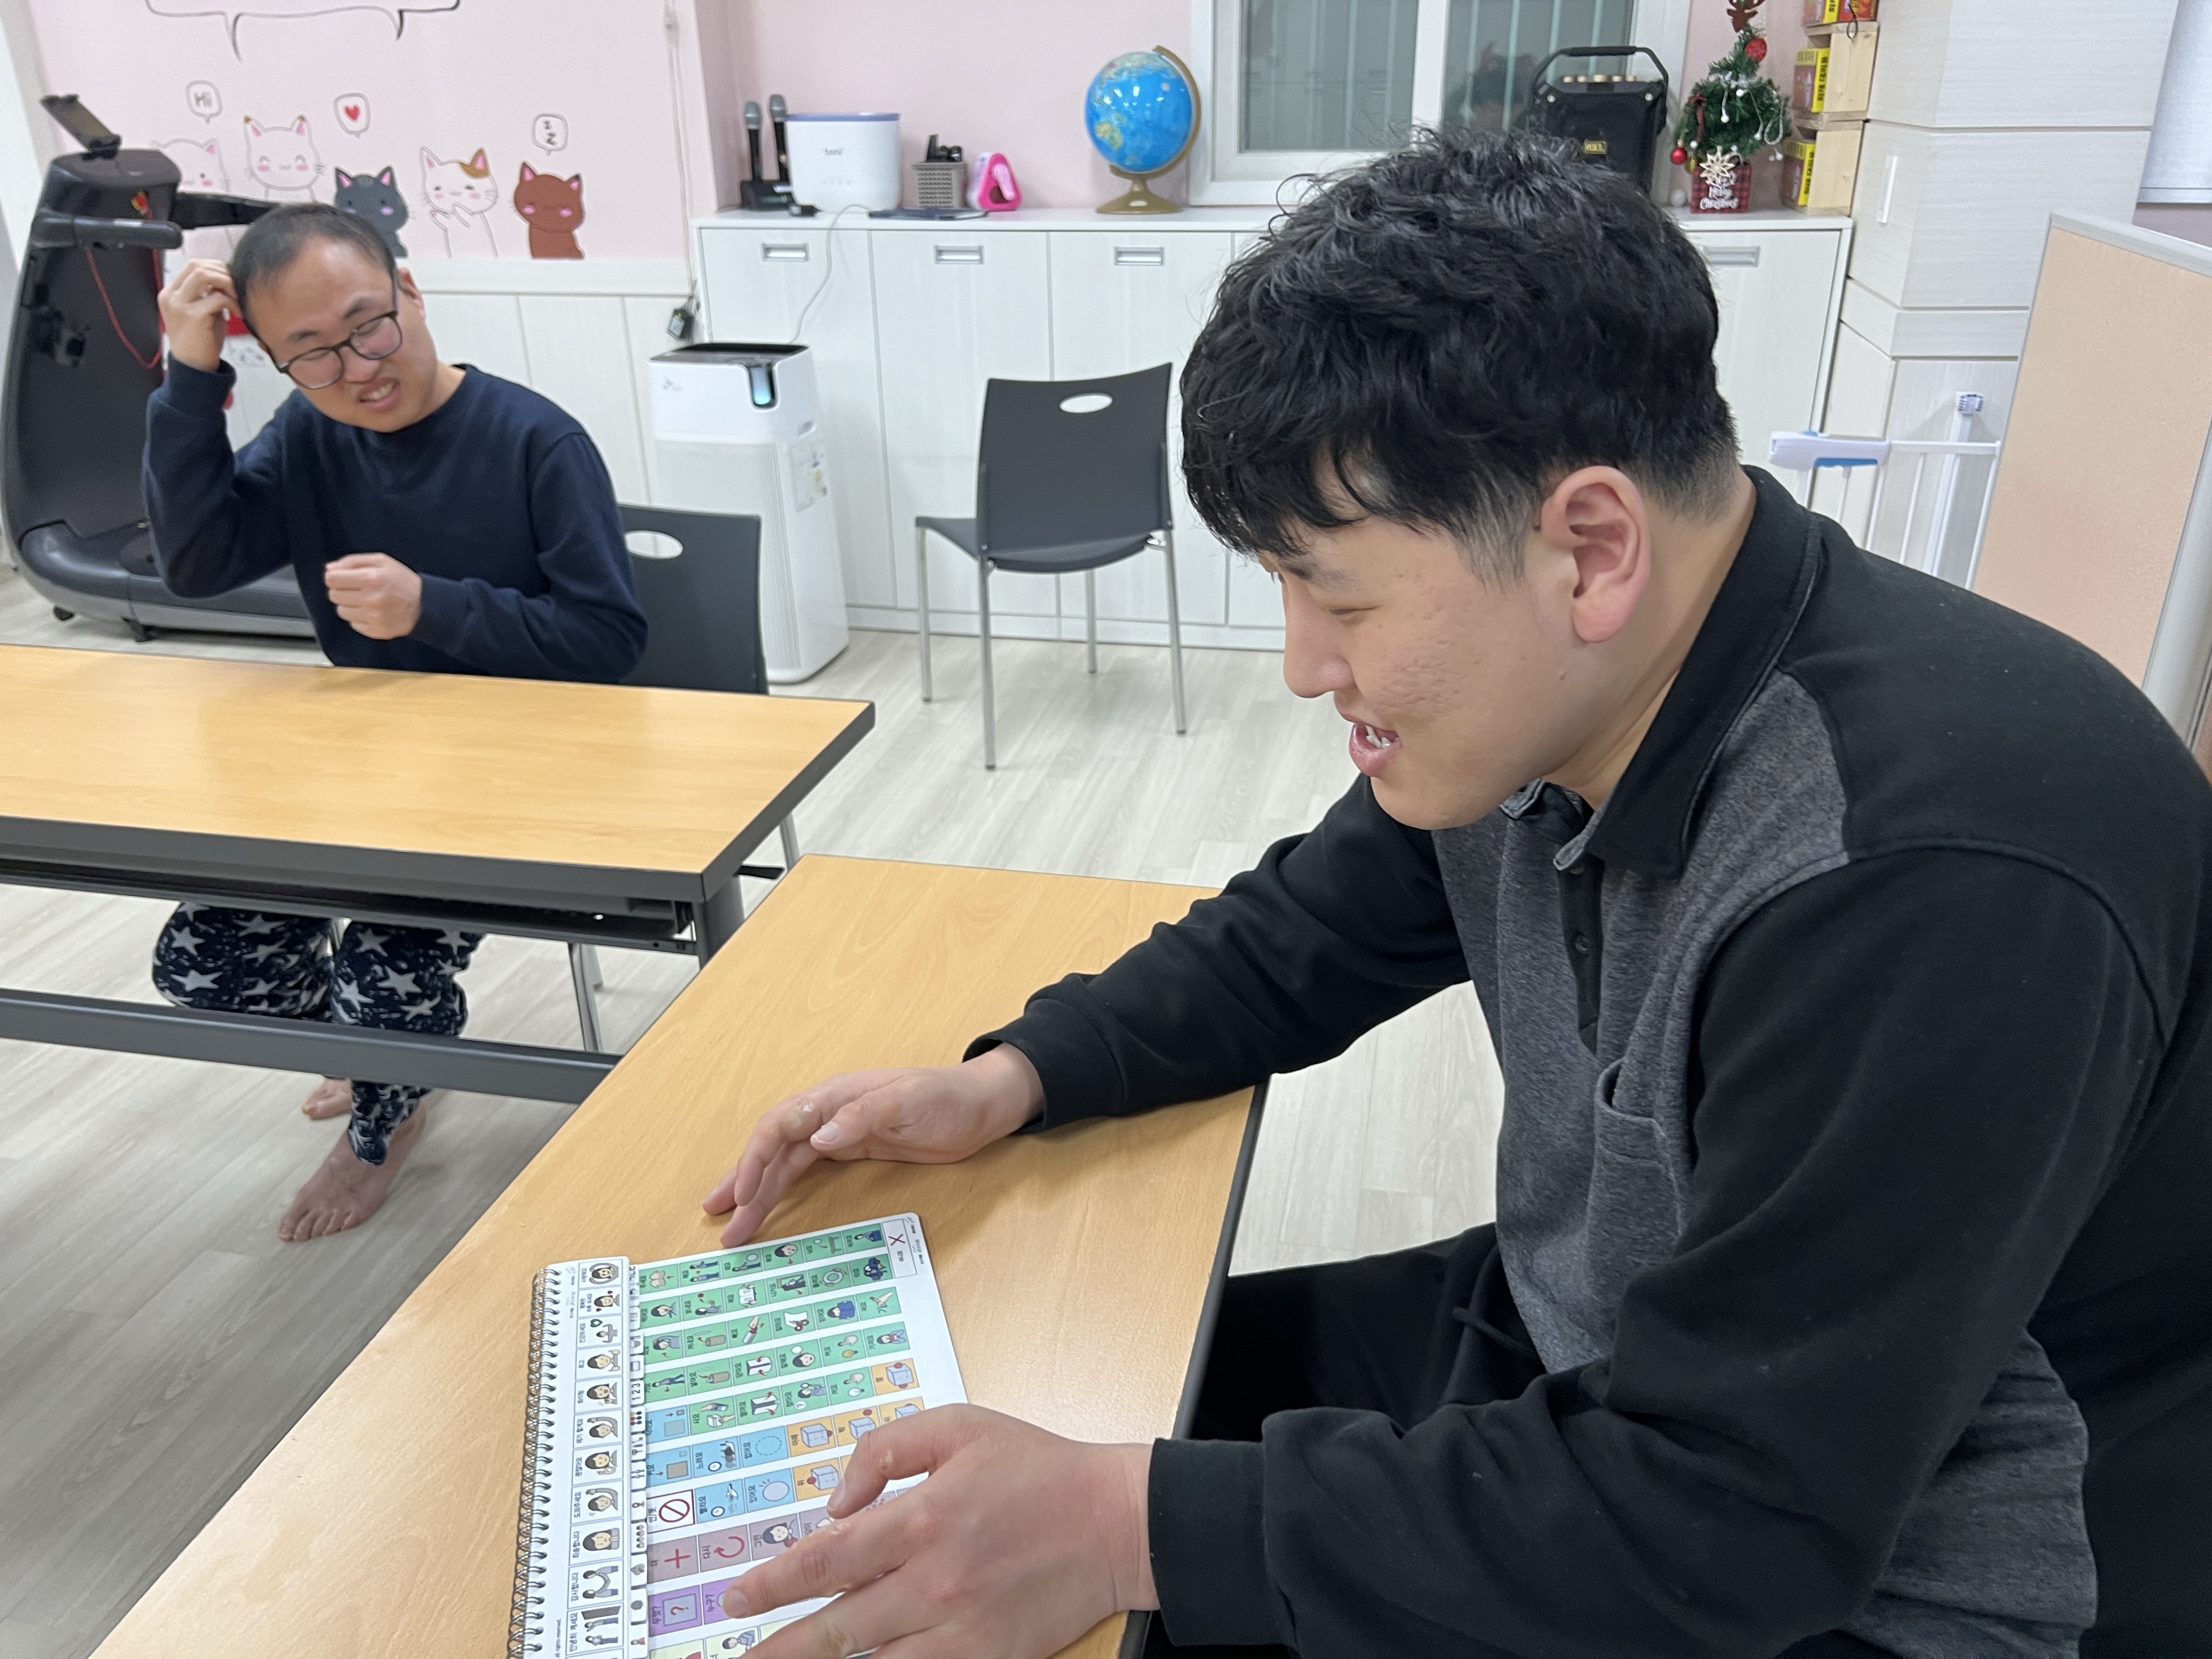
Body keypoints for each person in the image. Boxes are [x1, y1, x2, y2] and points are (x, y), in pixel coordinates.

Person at [696, 132, 2212, 1659]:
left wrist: (1114, 1528)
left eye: (1339, 596)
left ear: (1591, 550)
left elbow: (1734, 1518)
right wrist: (1017, 1075)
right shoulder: (1554, 701)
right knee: (1059, 1403)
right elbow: (1302, 938)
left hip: (1893, 1574)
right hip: (1606, 1352)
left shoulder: (1928, 874)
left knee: (1096, 1543)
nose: (1304, 666)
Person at [143, 202, 646, 1243]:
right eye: (314, 354)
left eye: (369, 326)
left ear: (410, 293)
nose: (358, 368)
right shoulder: (309, 434)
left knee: (386, 976)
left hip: (522, 778)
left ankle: (388, 1115)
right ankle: (382, 1055)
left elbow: (607, 640)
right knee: (204, 963)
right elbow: (195, 564)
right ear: (277, 363)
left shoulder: (536, 440)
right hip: (363, 775)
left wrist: (434, 607)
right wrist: (189, 377)